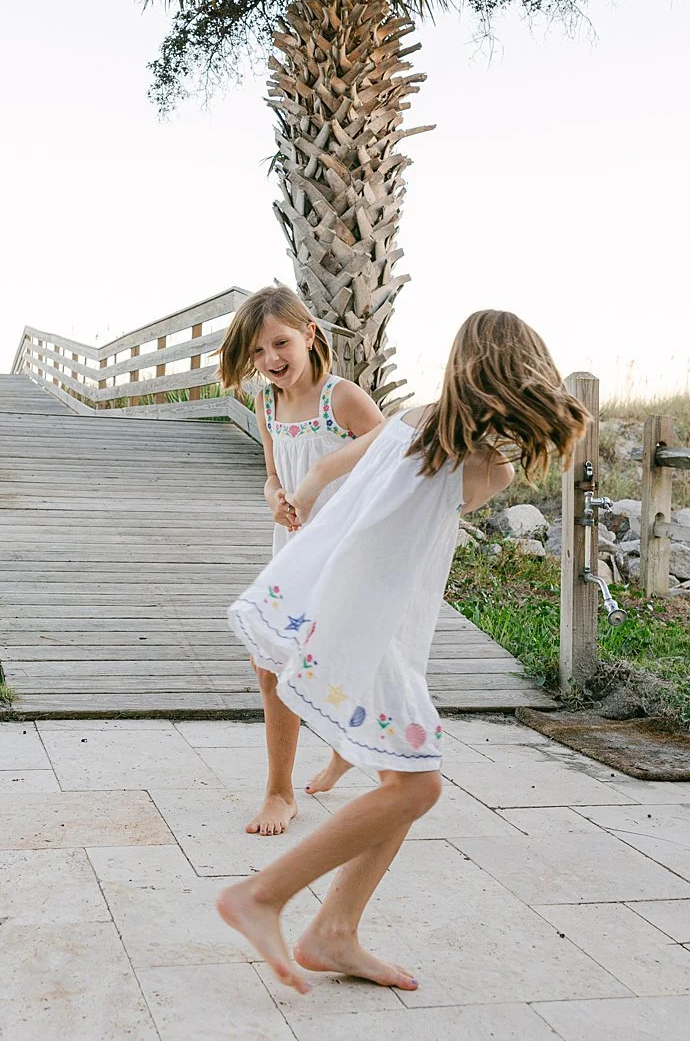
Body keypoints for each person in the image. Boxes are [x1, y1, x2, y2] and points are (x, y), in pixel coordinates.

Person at [219, 310, 587, 993]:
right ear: (522, 377)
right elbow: (452, 498)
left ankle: (335, 930)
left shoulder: (411, 422)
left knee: (405, 779)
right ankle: (263, 897)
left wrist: (301, 500)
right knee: (416, 784)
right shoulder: (487, 467)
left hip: (342, 611)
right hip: (365, 630)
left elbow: (330, 469)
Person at [217, 286, 382, 835]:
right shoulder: (266, 403)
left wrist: (318, 477)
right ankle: (279, 792)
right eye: (256, 352)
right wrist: (276, 497)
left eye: (280, 343)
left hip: (346, 553)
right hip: (292, 552)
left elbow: (391, 443)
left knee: (340, 660)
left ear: (309, 333)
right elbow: (272, 473)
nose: (270, 360)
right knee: (268, 663)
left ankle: (344, 748)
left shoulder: (342, 398)